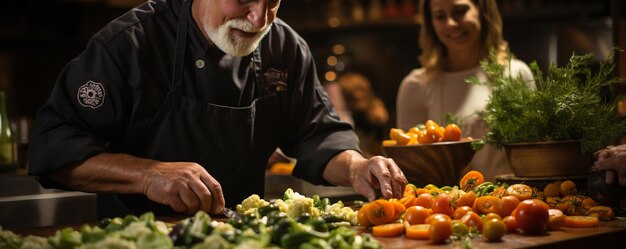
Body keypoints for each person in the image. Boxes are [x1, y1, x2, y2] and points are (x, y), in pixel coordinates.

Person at [28, 0, 407, 218]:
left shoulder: (285, 48)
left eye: (271, 1)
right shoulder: (128, 46)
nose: (259, 19)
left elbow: (316, 134)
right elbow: (55, 148)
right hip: (140, 238)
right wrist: (147, 174)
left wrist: (357, 166)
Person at [396, 0, 534, 181]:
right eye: (440, 16)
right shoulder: (416, 86)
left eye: (460, 11)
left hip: (512, 204)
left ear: (483, 11)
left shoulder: (516, 74)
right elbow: (413, 168)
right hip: (448, 206)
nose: (451, 23)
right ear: (431, 24)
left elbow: (533, 155)